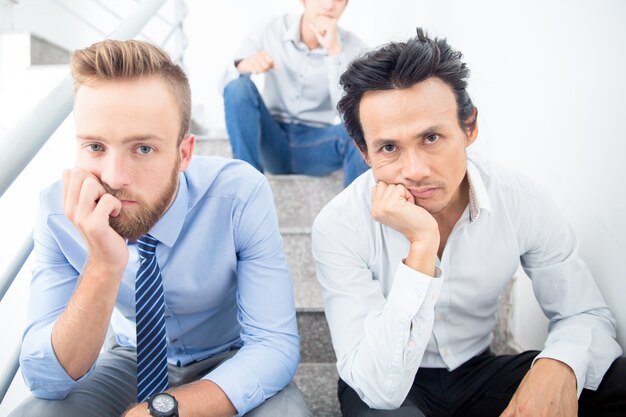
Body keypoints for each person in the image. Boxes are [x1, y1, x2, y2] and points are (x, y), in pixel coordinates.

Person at [312, 28, 626, 417]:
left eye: (431, 137)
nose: (416, 170)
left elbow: (585, 313)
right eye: (389, 147)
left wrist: (559, 364)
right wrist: (422, 246)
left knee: (613, 379)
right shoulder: (340, 225)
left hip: (478, 370)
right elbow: (379, 388)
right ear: (364, 153)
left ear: (470, 127)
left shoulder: (522, 201)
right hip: (383, 374)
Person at [10, 39, 311, 417]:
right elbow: (46, 380)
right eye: (95, 147)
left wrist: (159, 411)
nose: (114, 178)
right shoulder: (57, 211)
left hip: (229, 359)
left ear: (183, 153)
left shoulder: (239, 194)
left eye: (143, 149)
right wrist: (104, 264)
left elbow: (274, 346)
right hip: (129, 359)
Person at [220, 0, 369, 187]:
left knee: (362, 125)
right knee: (238, 87)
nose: (330, 6)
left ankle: (357, 211)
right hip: (271, 139)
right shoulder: (271, 29)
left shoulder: (355, 48)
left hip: (316, 145)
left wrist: (334, 53)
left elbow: (351, 115)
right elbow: (225, 87)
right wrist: (243, 66)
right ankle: (247, 190)